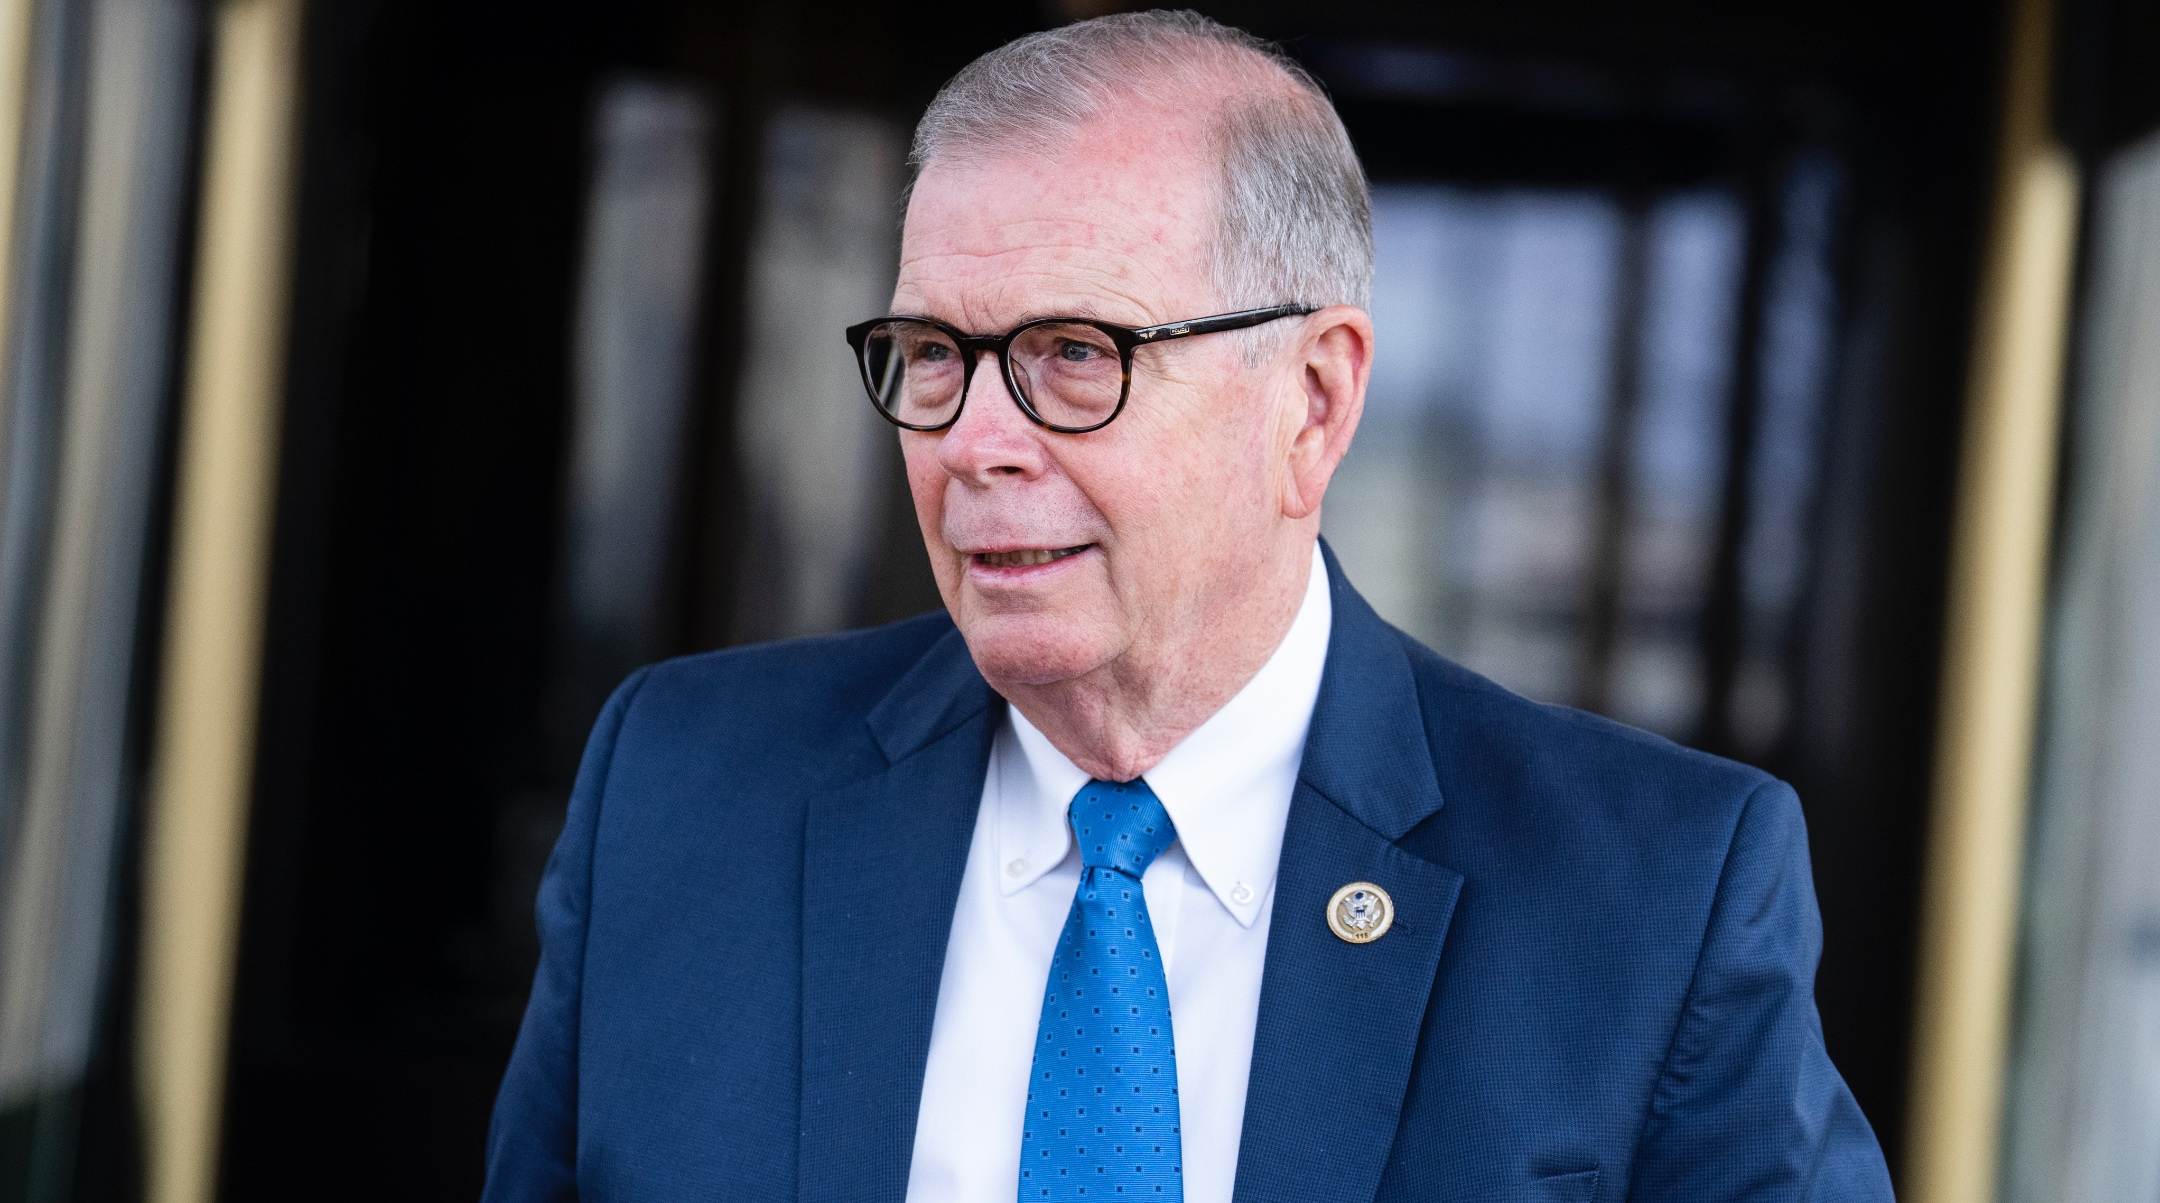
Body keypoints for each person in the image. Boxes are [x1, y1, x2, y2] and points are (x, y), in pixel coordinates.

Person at [482, 12, 1893, 1202]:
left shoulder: (1653, 901)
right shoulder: (682, 789)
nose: (975, 438)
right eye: (932, 354)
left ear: (1314, 402)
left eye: (1073, 354)